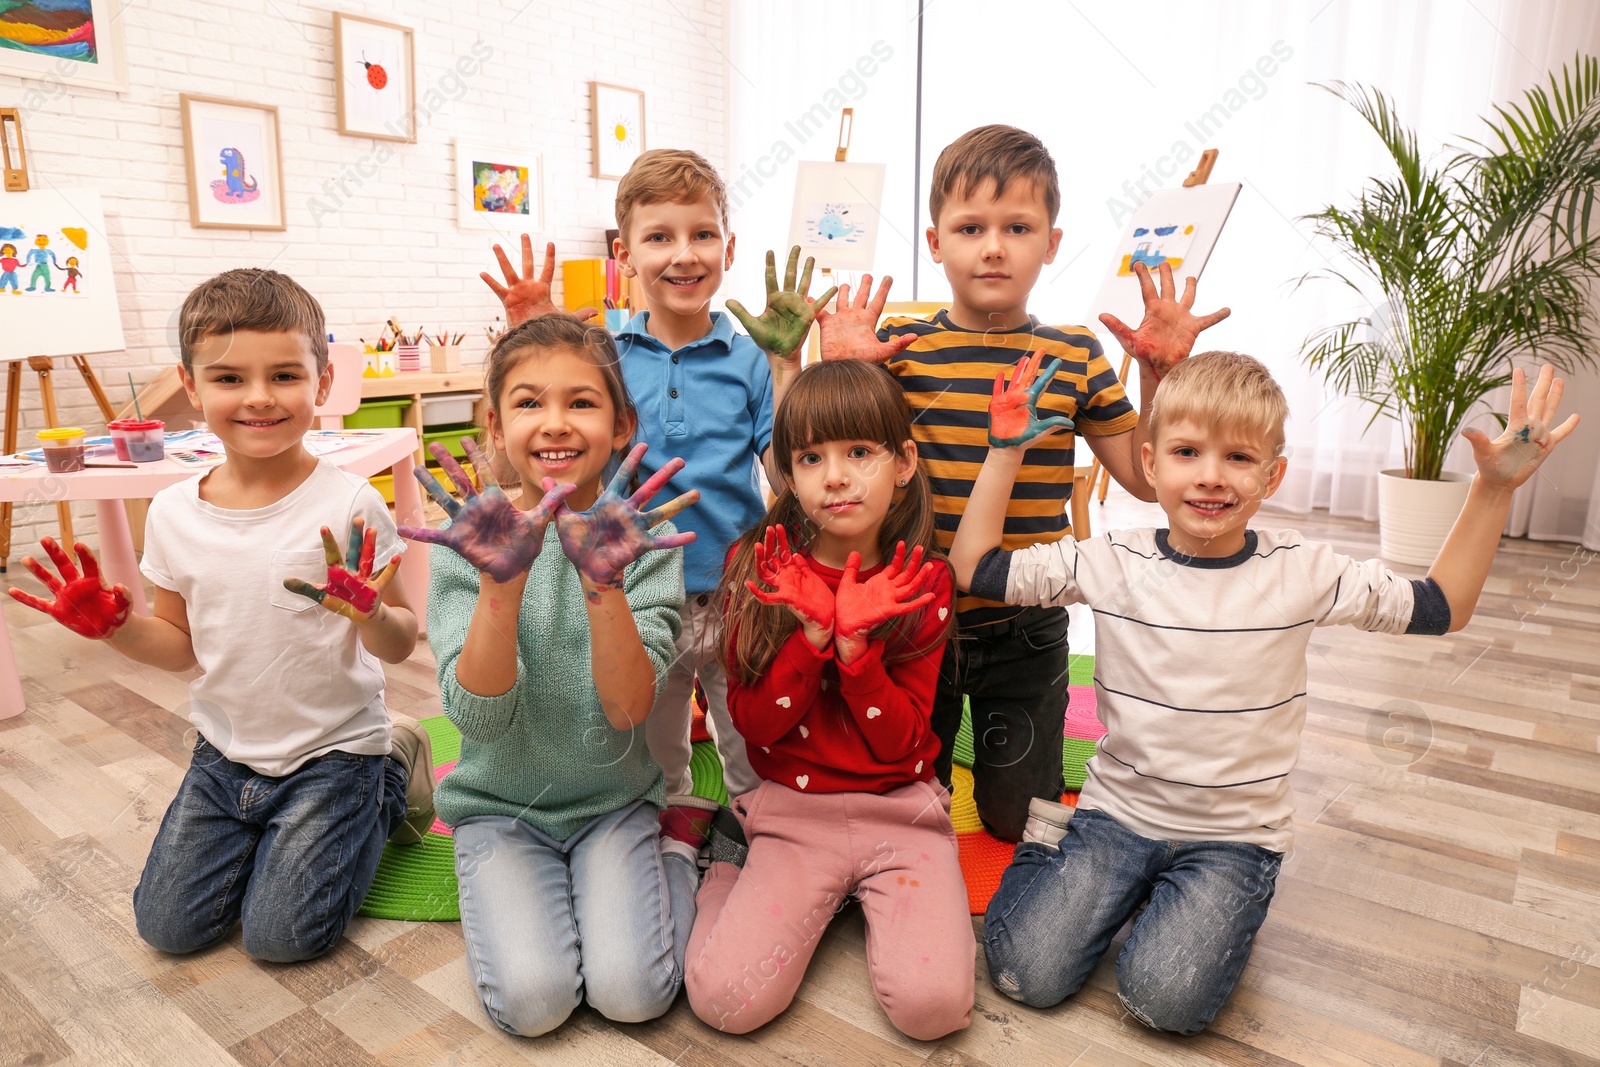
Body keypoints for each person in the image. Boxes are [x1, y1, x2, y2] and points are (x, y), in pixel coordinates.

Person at [950, 349, 1580, 1034]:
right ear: (1152, 464)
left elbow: (1442, 605)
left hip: (1234, 839)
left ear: (1274, 474)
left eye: (1240, 458)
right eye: (1188, 452)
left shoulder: (1304, 569)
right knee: (1024, 975)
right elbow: (977, 568)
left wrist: (1492, 490)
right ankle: (1050, 842)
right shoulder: (1110, 558)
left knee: (1163, 1002)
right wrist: (1006, 451)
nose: (1212, 476)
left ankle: (1185, 900)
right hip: (1115, 817)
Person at [818, 124, 1230, 840]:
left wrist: (1160, 375)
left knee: (1021, 821)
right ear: (934, 240)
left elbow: (1143, 477)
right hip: (915, 622)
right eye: (970, 226)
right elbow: (828, 473)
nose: (995, 246)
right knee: (912, 805)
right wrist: (846, 373)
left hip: (1030, 628)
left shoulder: (1074, 354)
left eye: (1018, 226)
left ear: (1052, 241)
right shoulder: (902, 357)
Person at [8, 268, 432, 962]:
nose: (259, 397)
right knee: (167, 929)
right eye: (230, 378)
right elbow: (179, 648)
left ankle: (389, 774)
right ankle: (288, 833)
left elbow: (401, 640)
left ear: (322, 383)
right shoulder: (174, 512)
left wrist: (367, 614)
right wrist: (117, 629)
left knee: (282, 939)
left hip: (335, 752)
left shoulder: (352, 502)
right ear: (192, 384)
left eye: (285, 375)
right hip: (225, 755)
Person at [478, 149, 837, 813]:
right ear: (624, 253)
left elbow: (787, 479)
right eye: (659, 237)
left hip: (740, 591)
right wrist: (531, 344)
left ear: (728, 245)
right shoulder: (600, 353)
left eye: (702, 234)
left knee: (752, 743)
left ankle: (755, 834)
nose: (684, 254)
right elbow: (530, 462)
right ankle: (668, 824)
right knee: (652, 746)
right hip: (640, 587)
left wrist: (786, 364)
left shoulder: (751, 356)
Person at [402, 314, 701, 1037]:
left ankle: (687, 851)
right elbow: (479, 721)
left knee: (634, 995)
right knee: (534, 1006)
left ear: (622, 422)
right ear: (496, 424)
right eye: (529, 402)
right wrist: (502, 584)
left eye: (582, 401)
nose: (554, 423)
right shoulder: (471, 538)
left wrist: (604, 584)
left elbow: (630, 709)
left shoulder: (644, 536)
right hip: (501, 810)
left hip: (612, 803)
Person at [683, 360, 973, 1041]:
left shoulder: (923, 579)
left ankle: (856, 900)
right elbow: (753, 726)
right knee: (724, 1003)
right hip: (791, 809)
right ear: (787, 472)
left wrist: (856, 654)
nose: (835, 476)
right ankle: (729, 858)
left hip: (900, 808)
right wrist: (811, 638)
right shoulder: (759, 565)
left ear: (903, 462)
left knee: (934, 1011)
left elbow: (902, 743)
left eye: (858, 452)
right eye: (811, 457)